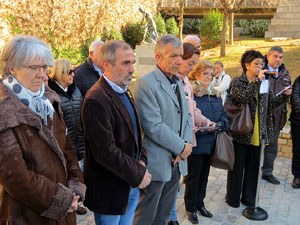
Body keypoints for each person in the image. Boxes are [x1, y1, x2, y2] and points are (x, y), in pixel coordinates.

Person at [0, 35, 86, 224]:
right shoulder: (4, 109)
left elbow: (67, 149)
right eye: (34, 68)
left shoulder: (48, 100)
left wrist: (76, 188)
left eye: (44, 68)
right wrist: (61, 199)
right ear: (12, 68)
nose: (43, 75)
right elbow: (14, 176)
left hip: (64, 211)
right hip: (27, 214)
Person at [81, 40, 151, 225]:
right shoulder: (96, 99)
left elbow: (136, 133)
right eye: (125, 63)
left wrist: (142, 161)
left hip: (130, 184)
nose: (132, 69)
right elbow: (105, 151)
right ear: (106, 65)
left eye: (133, 62)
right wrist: (138, 173)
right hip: (110, 190)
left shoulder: (124, 91)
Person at [133, 34, 193, 225]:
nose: (178, 61)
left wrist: (184, 148)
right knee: (146, 216)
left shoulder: (177, 81)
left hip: (176, 162)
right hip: (157, 164)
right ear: (158, 57)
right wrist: (180, 147)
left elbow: (187, 117)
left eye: (181, 56)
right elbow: (153, 126)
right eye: (173, 56)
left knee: (164, 215)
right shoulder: (145, 84)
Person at [226, 50, 291, 208]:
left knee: (253, 168)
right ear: (247, 65)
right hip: (242, 131)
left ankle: (248, 199)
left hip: (258, 132)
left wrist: (283, 96)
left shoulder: (264, 82)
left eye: (262, 64)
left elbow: (269, 104)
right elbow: (243, 97)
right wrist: (257, 82)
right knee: (237, 167)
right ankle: (232, 199)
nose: (261, 67)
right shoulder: (238, 81)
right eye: (257, 64)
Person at [168, 43, 215, 225]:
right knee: (171, 184)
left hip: (188, 142)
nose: (192, 67)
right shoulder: (171, 81)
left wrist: (204, 122)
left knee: (175, 183)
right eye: (190, 62)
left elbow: (191, 109)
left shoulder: (185, 82)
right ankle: (173, 216)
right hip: (174, 145)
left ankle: (173, 217)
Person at [184, 60, 229, 224]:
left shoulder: (215, 94)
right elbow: (189, 117)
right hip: (197, 143)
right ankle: (190, 207)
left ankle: (200, 204)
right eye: (205, 73)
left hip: (211, 143)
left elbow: (224, 115)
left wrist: (222, 124)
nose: (209, 77)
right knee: (193, 177)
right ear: (196, 74)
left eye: (211, 74)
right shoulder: (191, 93)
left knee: (204, 176)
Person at [48, 58, 87, 215]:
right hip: (62, 142)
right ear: (60, 73)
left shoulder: (76, 90)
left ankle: (75, 203)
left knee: (76, 174)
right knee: (63, 176)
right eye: (70, 71)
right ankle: (65, 207)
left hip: (79, 141)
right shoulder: (51, 93)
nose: (73, 74)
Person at [261, 46, 291, 185]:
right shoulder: (260, 71)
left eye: (280, 57)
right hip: (259, 116)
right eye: (275, 56)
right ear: (268, 56)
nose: (278, 59)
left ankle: (267, 172)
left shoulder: (285, 74)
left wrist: (288, 95)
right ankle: (250, 171)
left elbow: (289, 96)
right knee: (255, 146)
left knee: (272, 147)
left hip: (277, 116)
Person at [290, 75, 300, 189]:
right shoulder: (299, 80)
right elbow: (295, 97)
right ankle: (297, 176)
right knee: (297, 149)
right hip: (298, 121)